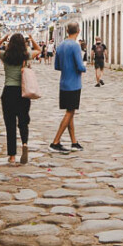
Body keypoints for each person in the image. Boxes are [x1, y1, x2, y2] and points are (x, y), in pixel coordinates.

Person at [0, 33, 33, 164]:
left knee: (10, 124)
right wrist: (32, 40)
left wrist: (3, 39)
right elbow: (39, 50)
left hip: (8, 91)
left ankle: (12, 156)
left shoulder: (5, 55)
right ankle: (25, 144)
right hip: (23, 91)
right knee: (23, 120)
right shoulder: (26, 56)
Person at [50, 22, 85, 154]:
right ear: (78, 31)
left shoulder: (60, 46)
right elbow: (80, 66)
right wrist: (84, 67)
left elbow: (57, 66)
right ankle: (55, 142)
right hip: (74, 84)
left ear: (66, 30)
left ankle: (74, 142)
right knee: (70, 112)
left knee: (70, 112)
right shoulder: (75, 46)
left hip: (63, 83)